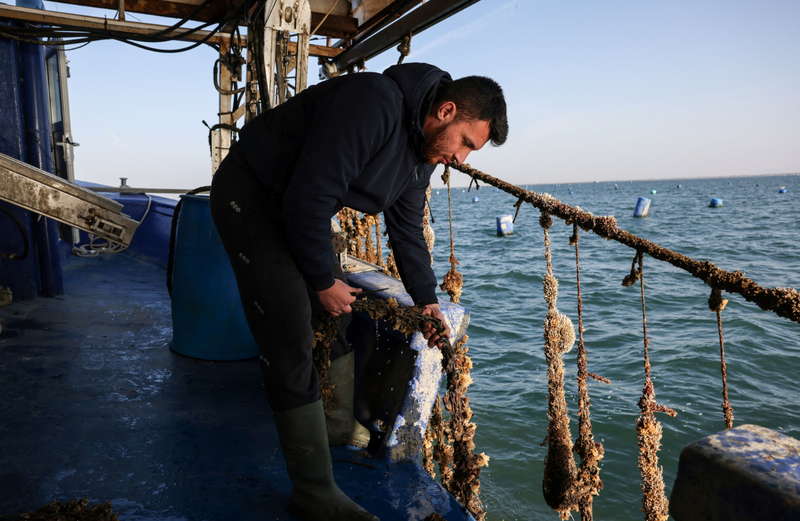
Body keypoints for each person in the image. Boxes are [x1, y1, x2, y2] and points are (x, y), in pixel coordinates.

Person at [210, 62, 507, 521]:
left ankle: (336, 429)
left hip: (297, 207)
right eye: (466, 143)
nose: (461, 159)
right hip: (252, 194)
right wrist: (324, 281)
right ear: (446, 111)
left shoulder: (421, 153)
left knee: (337, 318)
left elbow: (407, 231)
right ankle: (314, 489)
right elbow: (310, 197)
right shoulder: (373, 102)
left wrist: (427, 302)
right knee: (290, 328)